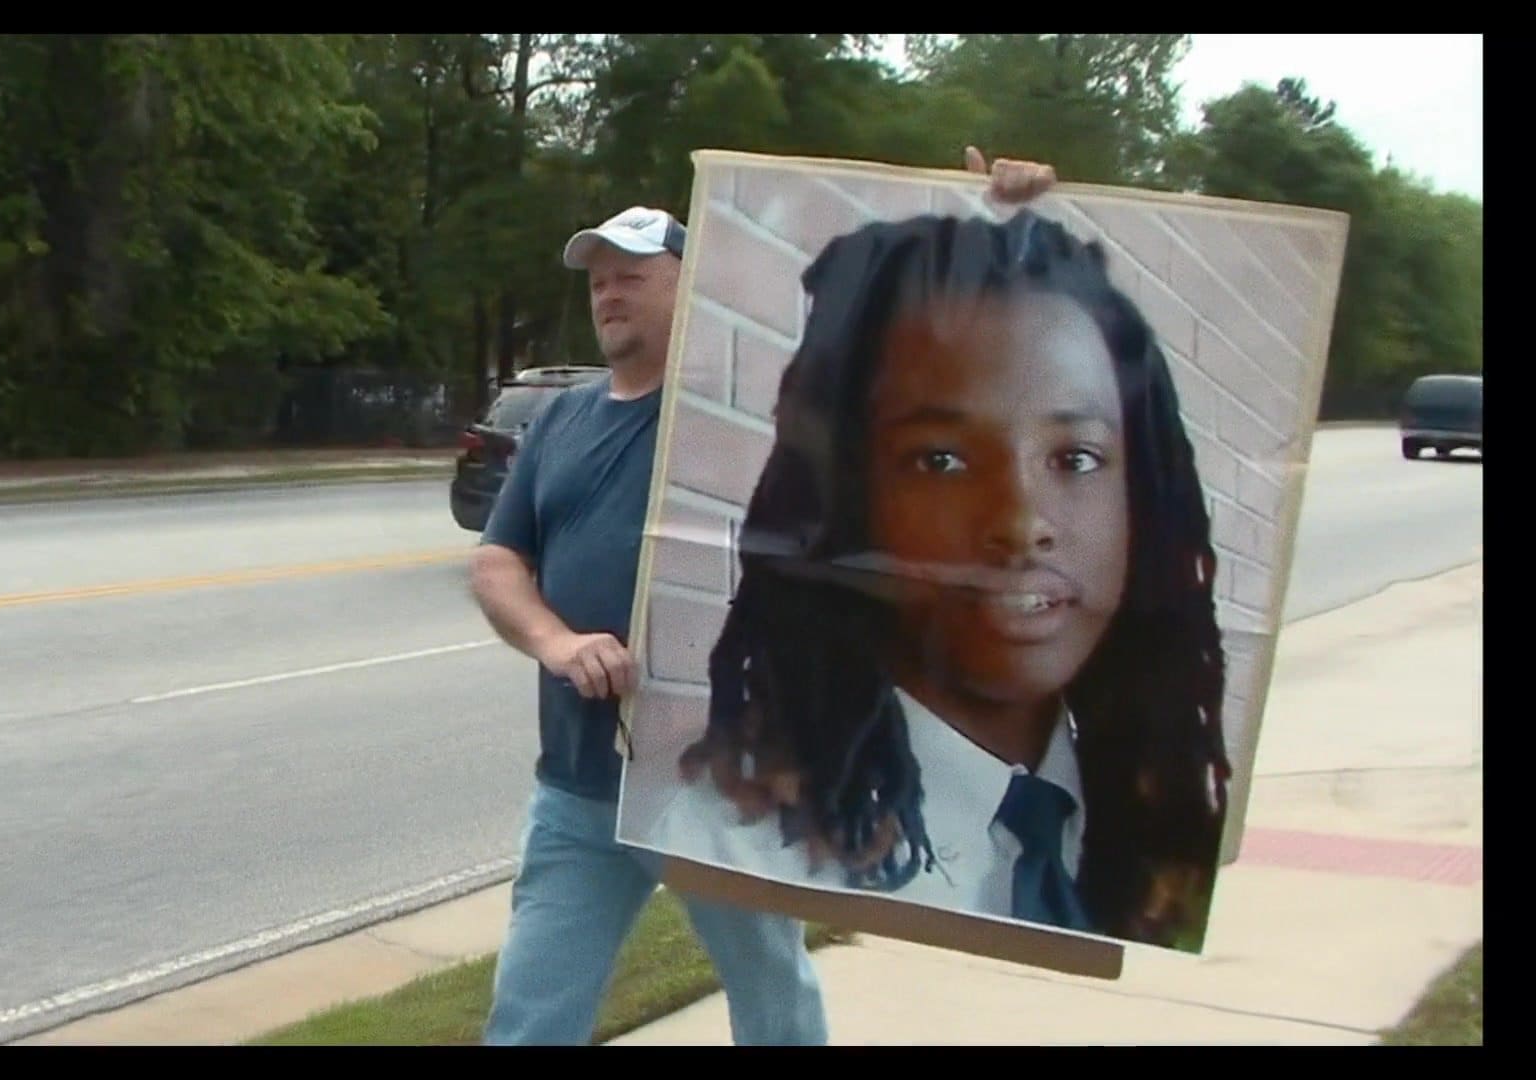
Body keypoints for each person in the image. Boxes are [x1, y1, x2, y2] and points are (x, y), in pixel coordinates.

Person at [469, 150, 1059, 1044]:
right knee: (530, 1009)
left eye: (632, 274)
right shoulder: (562, 420)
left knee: (772, 995)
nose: (608, 293)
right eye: (597, 279)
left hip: (718, 781)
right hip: (581, 787)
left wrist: (993, 226)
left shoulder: (761, 408)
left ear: (690, 282)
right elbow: (499, 563)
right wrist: (556, 643)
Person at [647, 203, 1231, 951]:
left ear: (1142, 498)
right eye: (941, 460)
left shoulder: (1164, 829)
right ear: (848, 499)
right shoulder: (746, 842)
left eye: (1075, 458)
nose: (1021, 523)